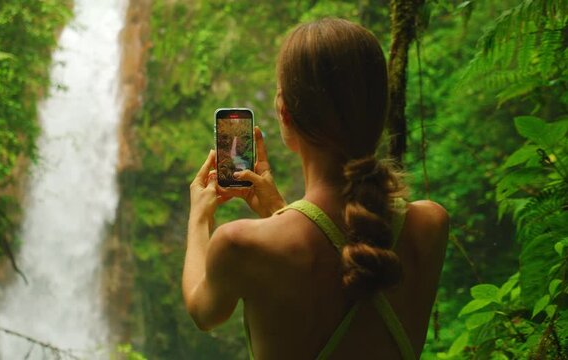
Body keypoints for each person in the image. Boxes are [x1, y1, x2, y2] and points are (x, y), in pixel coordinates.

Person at [183, 18, 448, 359]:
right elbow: (342, 253)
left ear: (285, 113)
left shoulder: (241, 245)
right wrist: (278, 210)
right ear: (380, 111)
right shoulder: (431, 226)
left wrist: (199, 218)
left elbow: (202, 311)